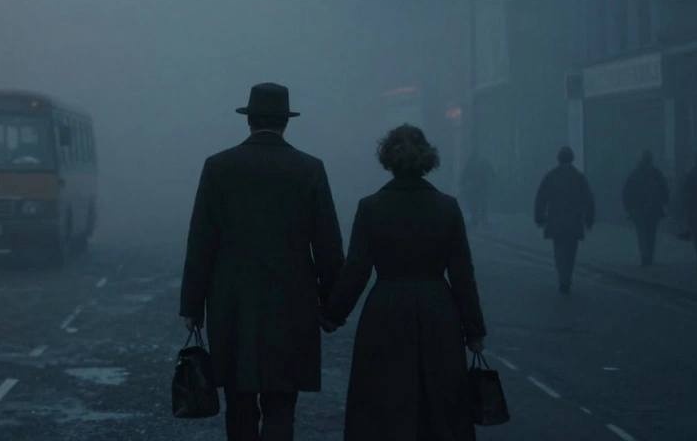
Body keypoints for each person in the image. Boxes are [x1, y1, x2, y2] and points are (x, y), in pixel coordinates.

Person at [179, 83, 345, 441]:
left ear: (249, 120)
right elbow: (329, 247)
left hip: (232, 302)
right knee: (282, 401)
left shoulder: (219, 167)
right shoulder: (309, 169)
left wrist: (193, 305)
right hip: (292, 302)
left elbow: (201, 242)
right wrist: (332, 309)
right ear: (286, 122)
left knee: (239, 400)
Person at [322, 123, 486, 441]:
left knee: (383, 406)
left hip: (385, 310)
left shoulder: (370, 208)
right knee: (438, 406)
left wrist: (332, 314)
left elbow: (356, 271)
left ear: (388, 159)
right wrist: (474, 331)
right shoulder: (447, 208)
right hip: (438, 309)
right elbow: (463, 275)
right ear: (426, 159)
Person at [534, 146, 595, 295]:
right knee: (571, 251)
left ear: (559, 158)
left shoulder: (551, 176)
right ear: (572, 159)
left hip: (556, 220)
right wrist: (589, 220)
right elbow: (589, 200)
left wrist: (540, 218)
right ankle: (567, 276)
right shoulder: (579, 177)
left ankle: (563, 278)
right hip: (574, 220)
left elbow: (541, 199)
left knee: (559, 250)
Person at [622, 150, 668, 267]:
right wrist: (664, 205)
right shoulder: (656, 173)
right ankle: (650, 255)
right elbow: (664, 190)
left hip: (638, 209)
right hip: (654, 208)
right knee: (651, 233)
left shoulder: (635, 174)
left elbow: (627, 192)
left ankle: (645, 255)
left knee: (642, 233)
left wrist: (628, 208)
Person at [459, 152, 495, 228]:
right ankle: (481, 220)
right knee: (481, 204)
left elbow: (465, 174)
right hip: (481, 186)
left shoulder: (472, 163)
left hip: (476, 186)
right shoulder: (484, 162)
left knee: (477, 204)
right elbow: (492, 172)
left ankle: (477, 220)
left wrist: (462, 183)